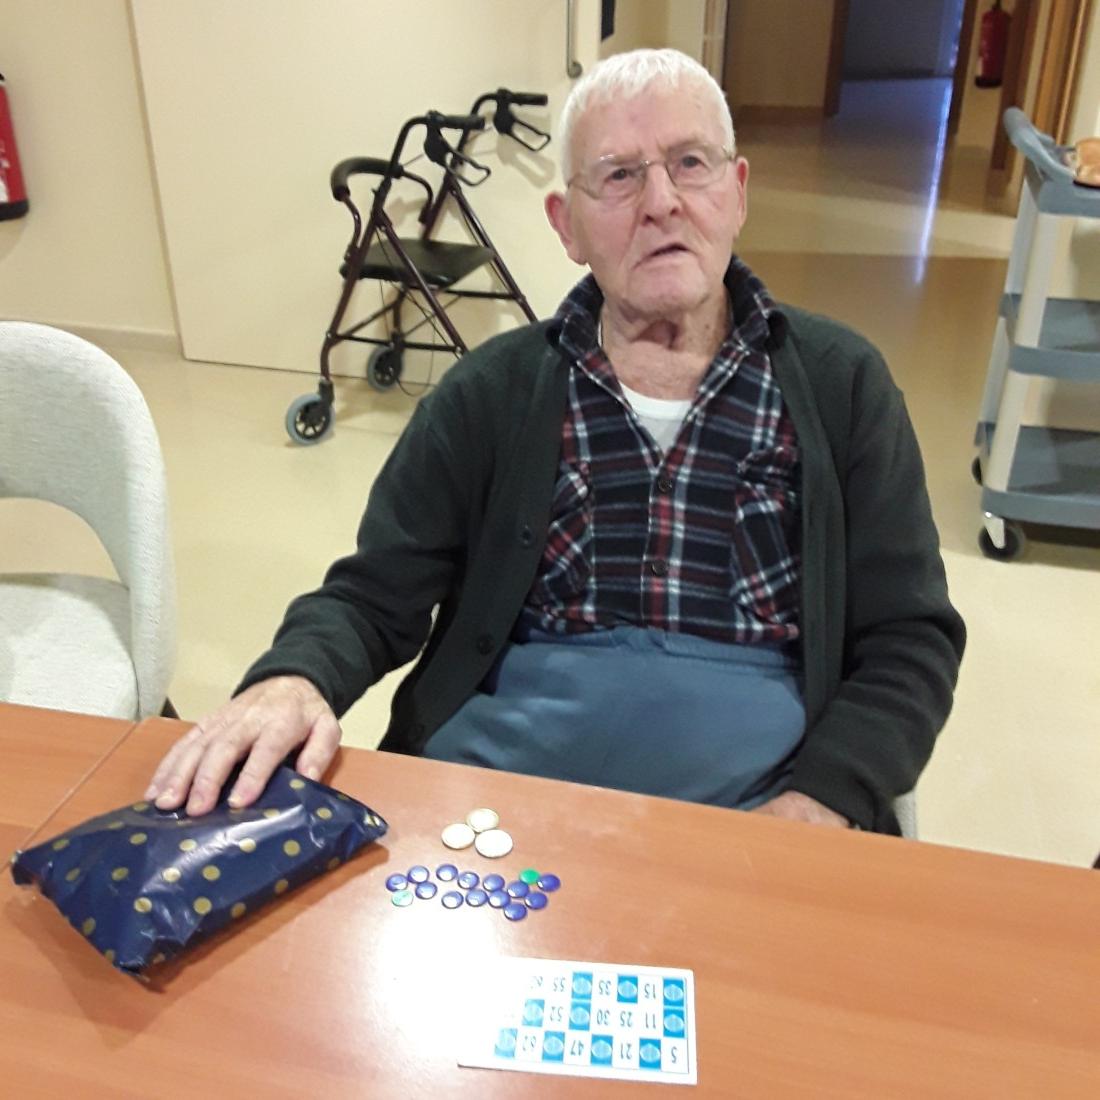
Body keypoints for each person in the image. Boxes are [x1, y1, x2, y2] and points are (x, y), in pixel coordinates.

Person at [147, 49, 965, 833]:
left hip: (755, 816)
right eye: (618, 175)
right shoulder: (490, 393)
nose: (661, 202)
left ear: (737, 192)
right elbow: (372, 596)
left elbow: (910, 637)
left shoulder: (840, 385)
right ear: (566, 225)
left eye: (691, 163)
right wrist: (294, 679)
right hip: (497, 806)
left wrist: (825, 796)